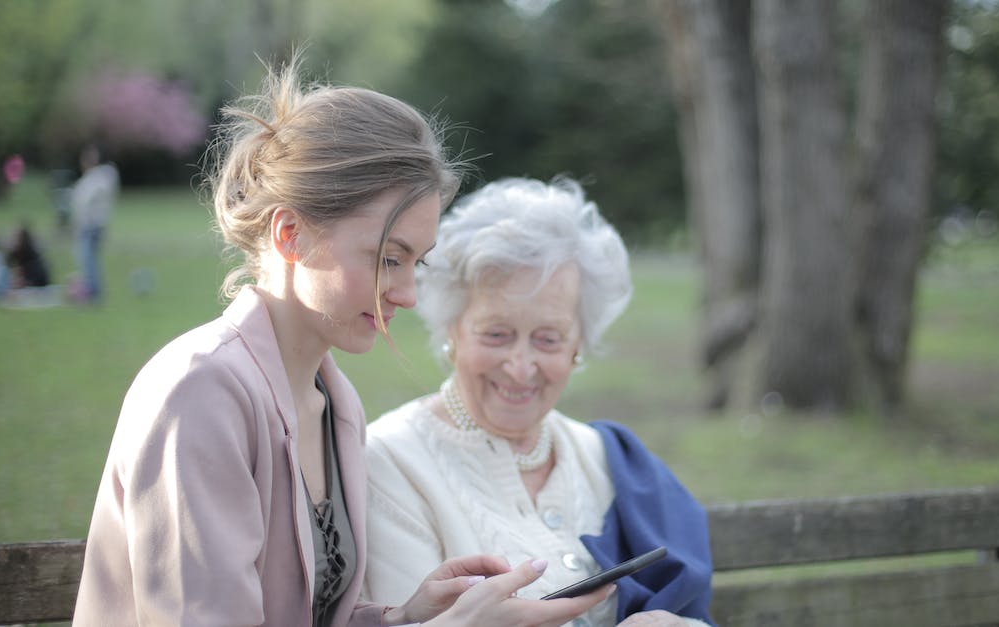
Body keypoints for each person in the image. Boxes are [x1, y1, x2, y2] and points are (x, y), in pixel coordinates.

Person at [73, 59, 611, 627]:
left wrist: (403, 617)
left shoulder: (336, 402)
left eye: (415, 263)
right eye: (387, 259)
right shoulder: (199, 392)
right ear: (291, 234)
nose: (406, 293)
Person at [363, 177, 715, 626]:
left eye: (548, 339)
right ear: (452, 330)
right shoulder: (391, 464)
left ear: (578, 345)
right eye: (497, 334)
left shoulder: (607, 458)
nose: (520, 366)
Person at [70, 142, 119, 302]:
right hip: (92, 225)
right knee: (88, 259)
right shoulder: (96, 178)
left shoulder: (99, 178)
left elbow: (85, 202)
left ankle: (92, 292)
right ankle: (91, 290)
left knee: (88, 259)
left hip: (91, 226)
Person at [6, 222, 51, 288]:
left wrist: (22, 282)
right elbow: (8, 263)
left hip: (37, 285)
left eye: (17, 239)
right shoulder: (16, 253)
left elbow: (37, 278)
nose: (14, 242)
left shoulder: (33, 256)